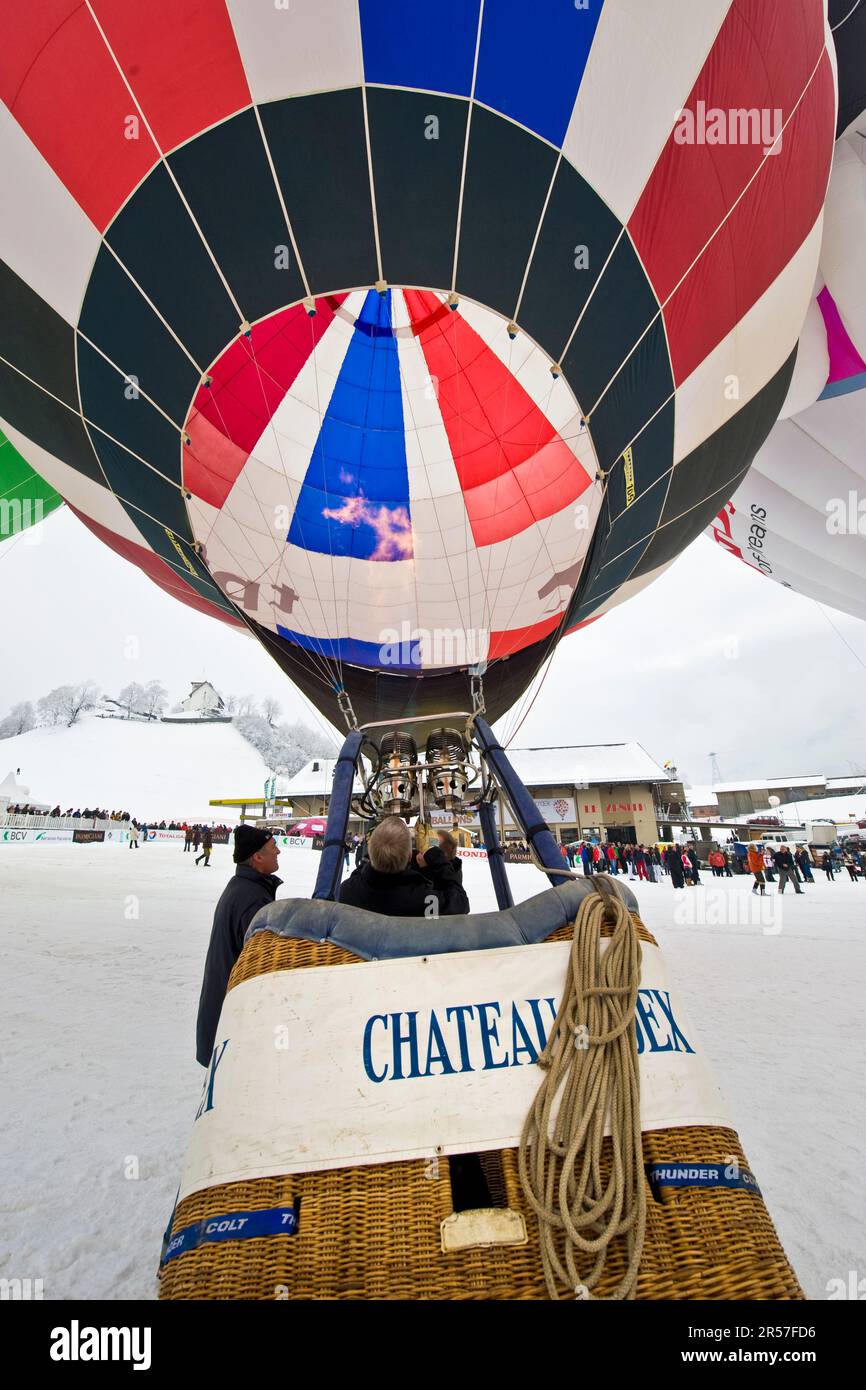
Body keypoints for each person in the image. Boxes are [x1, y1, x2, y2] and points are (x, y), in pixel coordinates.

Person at [196, 826, 282, 1065]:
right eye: (273, 846)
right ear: (257, 856)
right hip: (231, 1020)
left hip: (223, 1014)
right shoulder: (251, 897)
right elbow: (261, 963)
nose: (278, 851)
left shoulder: (245, 888)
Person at [338, 816, 466, 917]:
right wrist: (437, 857)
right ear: (410, 857)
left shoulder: (348, 892)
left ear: (371, 852)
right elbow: (460, 902)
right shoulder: (424, 900)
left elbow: (363, 869)